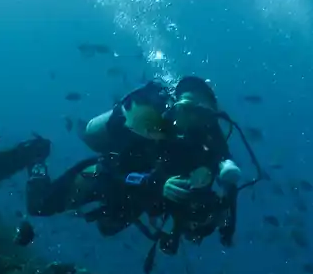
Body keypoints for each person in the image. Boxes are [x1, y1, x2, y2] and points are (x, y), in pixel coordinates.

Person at [25, 75, 246, 251]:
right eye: (187, 108)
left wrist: (226, 223)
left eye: (202, 113)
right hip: (107, 177)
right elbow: (119, 165)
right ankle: (35, 158)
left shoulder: (209, 141)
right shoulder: (149, 121)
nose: (193, 119)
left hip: (139, 199)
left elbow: (227, 183)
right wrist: (157, 184)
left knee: (108, 228)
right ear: (175, 104)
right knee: (39, 206)